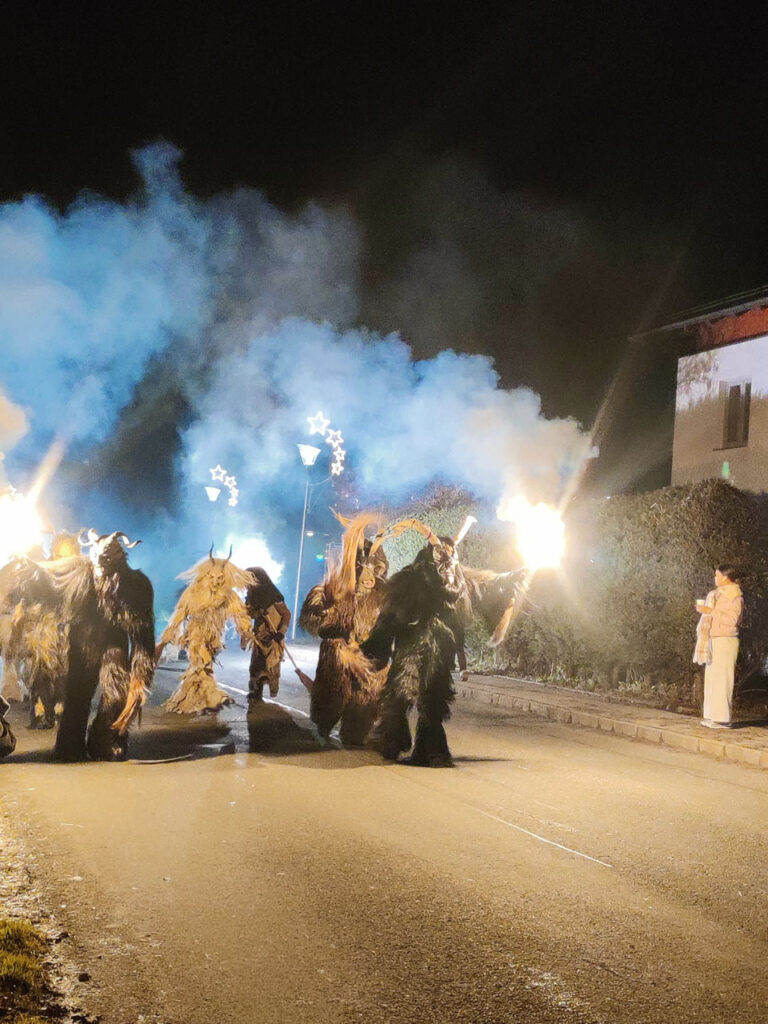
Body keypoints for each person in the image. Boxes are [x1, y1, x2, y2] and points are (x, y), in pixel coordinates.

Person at [694, 564, 744, 729]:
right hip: (714, 639)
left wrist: (709, 611)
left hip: (726, 639)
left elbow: (731, 620)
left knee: (723, 679)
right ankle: (712, 716)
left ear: (725, 577)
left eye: (717, 575)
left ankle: (722, 719)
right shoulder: (716, 594)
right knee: (712, 679)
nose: (715, 578)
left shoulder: (734, 596)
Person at [245, 567, 291, 702]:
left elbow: (286, 614)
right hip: (259, 637)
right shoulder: (252, 597)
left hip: (273, 637)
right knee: (256, 665)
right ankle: (255, 691)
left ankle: (265, 689)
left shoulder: (273, 595)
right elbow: (248, 614)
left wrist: (281, 632)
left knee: (270, 667)